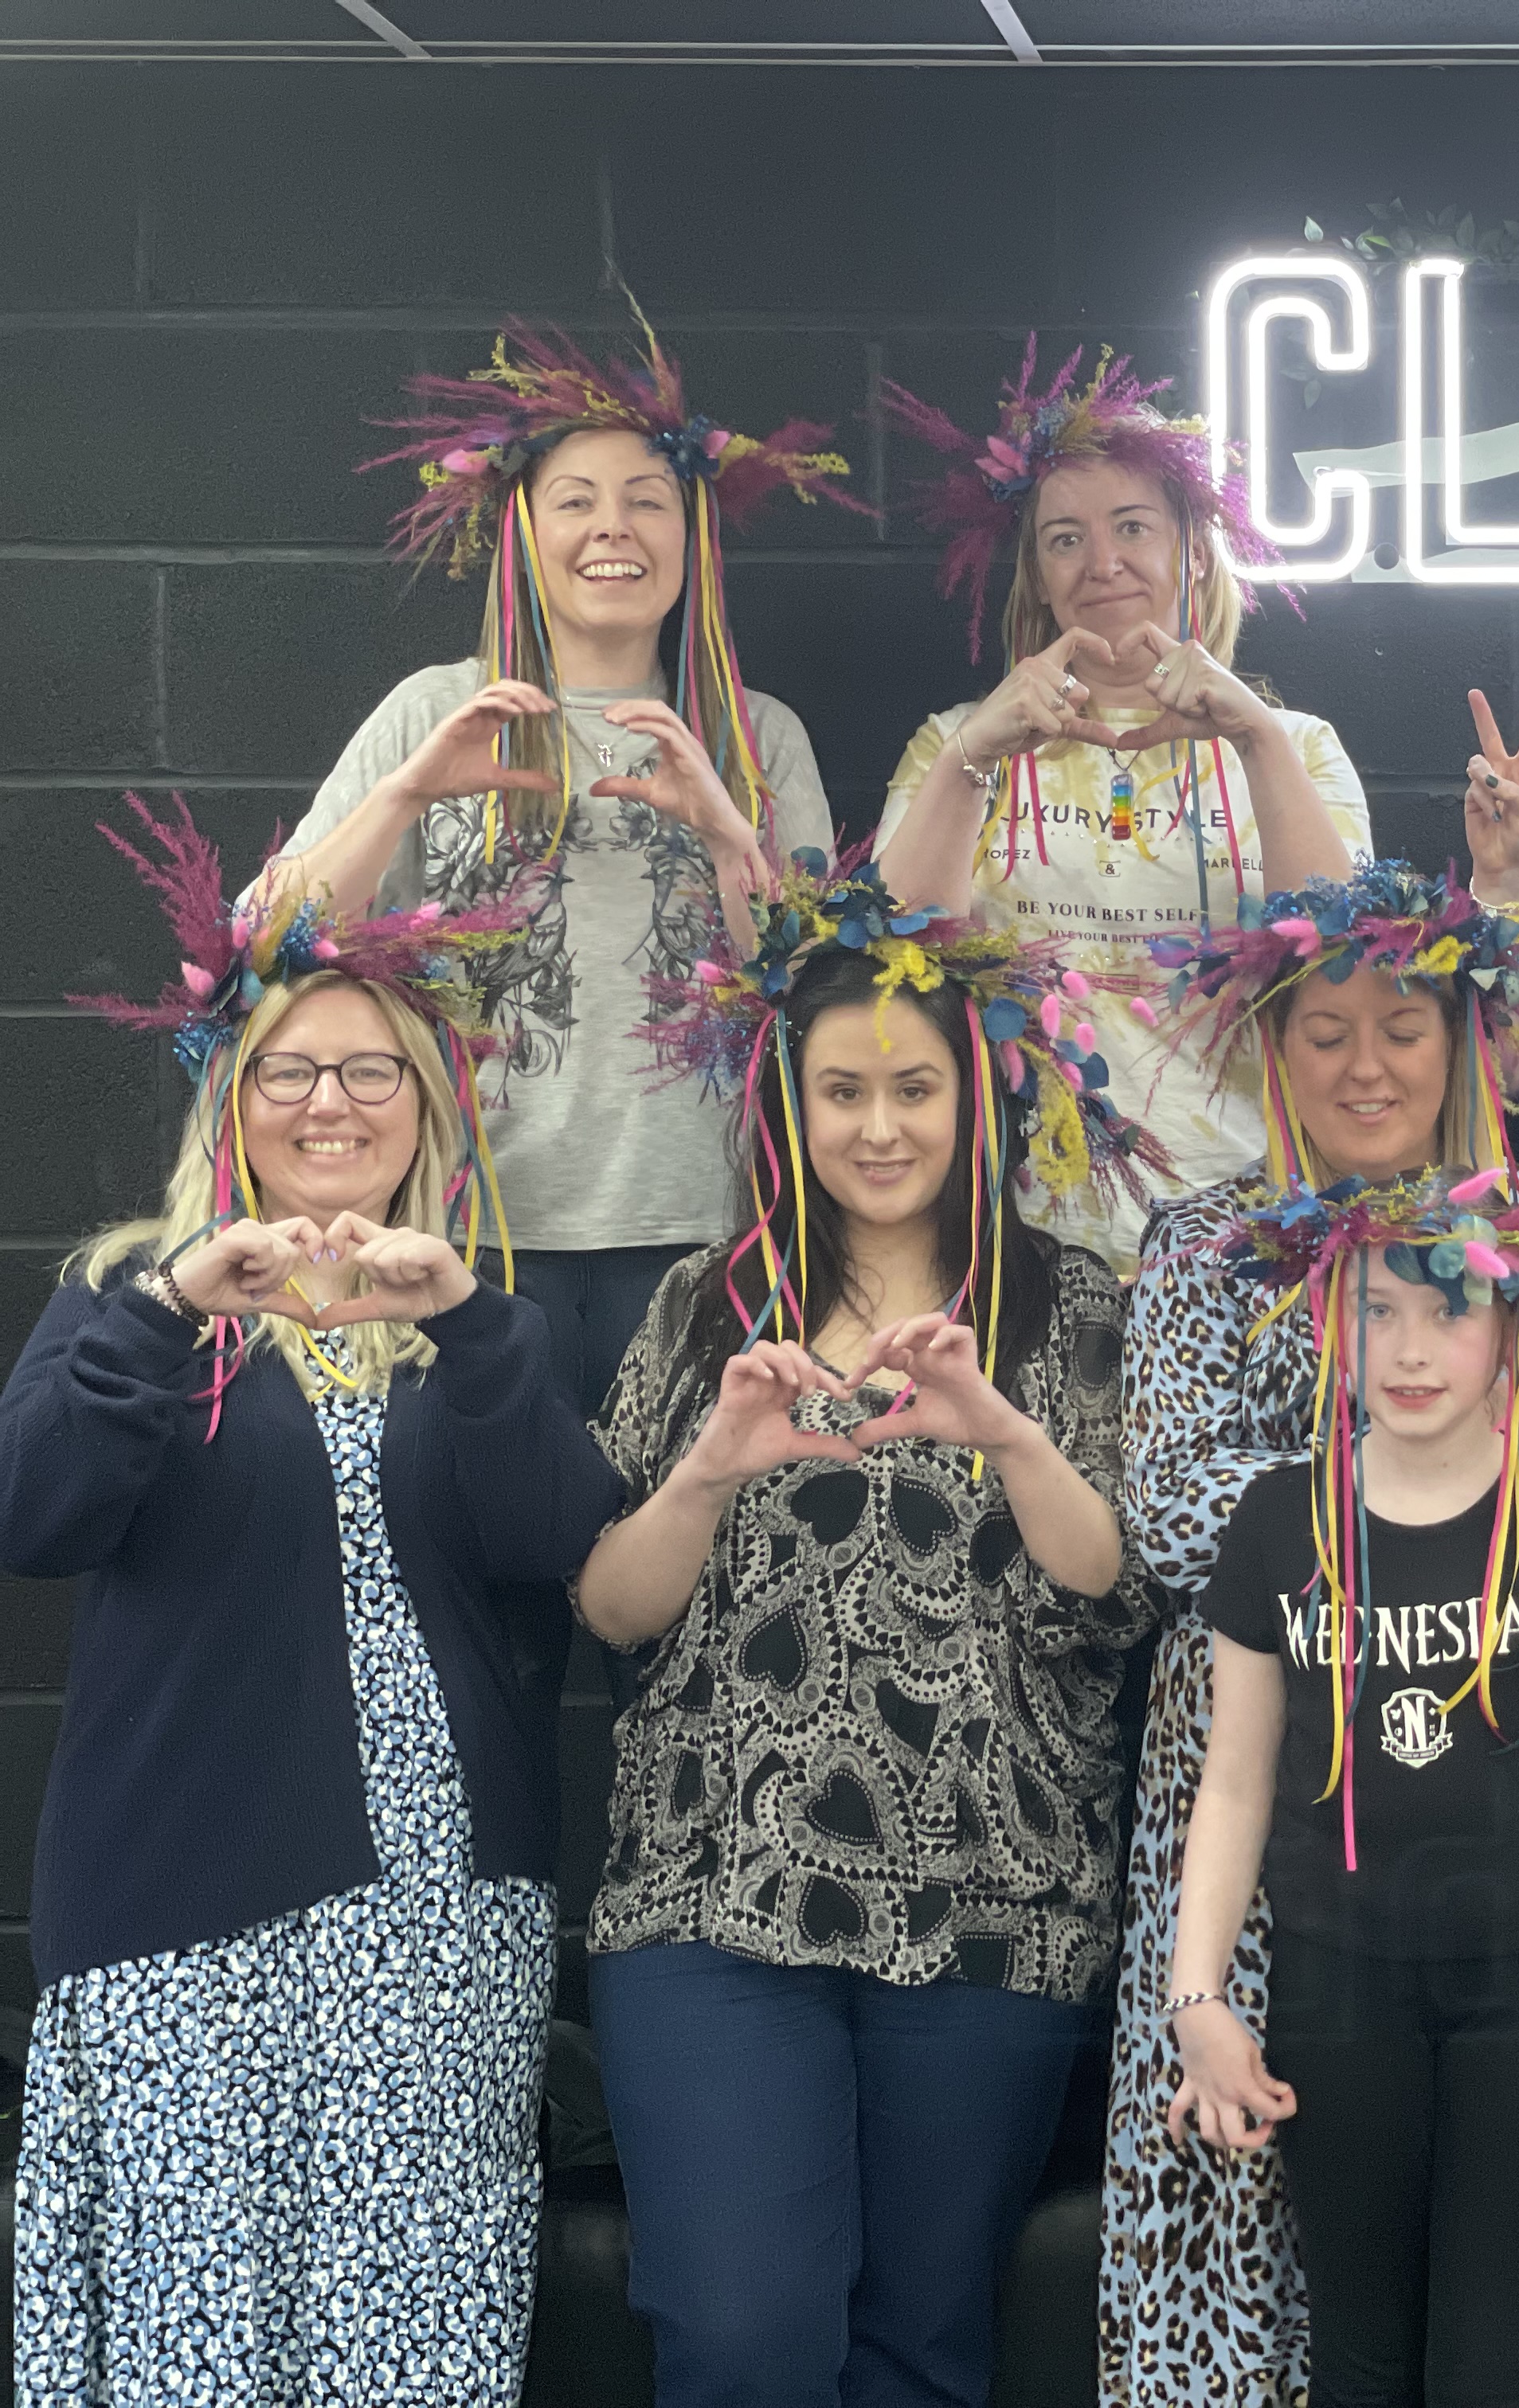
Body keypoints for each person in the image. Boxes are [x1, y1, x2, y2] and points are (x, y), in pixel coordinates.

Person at [4, 802, 619, 2402]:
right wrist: (170, 1310)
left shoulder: (486, 1315)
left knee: (406, 2353)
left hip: (437, 1937)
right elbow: (35, 1515)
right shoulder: (125, 1296)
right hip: (179, 1922)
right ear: (237, 1094)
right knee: (198, 2350)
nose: (330, 1102)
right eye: (290, 1068)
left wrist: (478, 1333)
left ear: (427, 1109)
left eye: (370, 1072)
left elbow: (560, 1538)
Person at [573, 855, 1162, 2408]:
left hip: (994, 1907)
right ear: (792, 1107)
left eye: (914, 1089)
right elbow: (610, 1608)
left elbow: (1121, 1586)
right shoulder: (710, 1308)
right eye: (844, 1092)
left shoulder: (1077, 1309)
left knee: (923, 2352)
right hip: (716, 1900)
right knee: (740, 2336)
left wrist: (1010, 1436)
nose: (881, 1127)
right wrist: (710, 1467)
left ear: (974, 1100)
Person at [1111, 859, 1519, 2408]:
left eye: (1405, 1027)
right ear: (1269, 1049)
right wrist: (1459, 1458)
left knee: (1507, 2301)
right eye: (1324, 1032)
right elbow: (1172, 1520)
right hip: (1264, 1835)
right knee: (1270, 2251)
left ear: (1468, 1042)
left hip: (1517, 1853)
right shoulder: (1199, 1241)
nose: (1366, 1065)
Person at [265, 320, 850, 1414]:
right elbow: (268, 934)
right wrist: (404, 797)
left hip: (699, 1230)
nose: (612, 528)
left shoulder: (755, 732)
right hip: (470, 1230)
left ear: (692, 534)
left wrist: (730, 834)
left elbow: (819, 989)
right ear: (523, 534)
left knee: (664, 1555)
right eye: (575, 499)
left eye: (647, 500)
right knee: (494, 1552)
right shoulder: (436, 711)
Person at [1168, 1172, 1519, 2408]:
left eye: (1447, 1313)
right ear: (1329, 1324)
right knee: (1356, 2352)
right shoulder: (1279, 1521)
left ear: (1513, 1327)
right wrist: (1197, 1997)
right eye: (1376, 1310)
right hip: (1339, 1992)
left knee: (1491, 2363)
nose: (1408, 1350)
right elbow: (1230, 1786)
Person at [874, 341, 1365, 1272]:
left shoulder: (1295, 744)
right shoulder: (955, 743)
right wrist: (979, 749)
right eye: (1066, 539)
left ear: (1189, 551)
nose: (1102, 562)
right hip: (1017, 1236)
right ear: (1038, 574)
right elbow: (886, 960)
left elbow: (1344, 968)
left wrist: (1252, 737)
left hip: (1244, 1231)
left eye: (1132, 527)